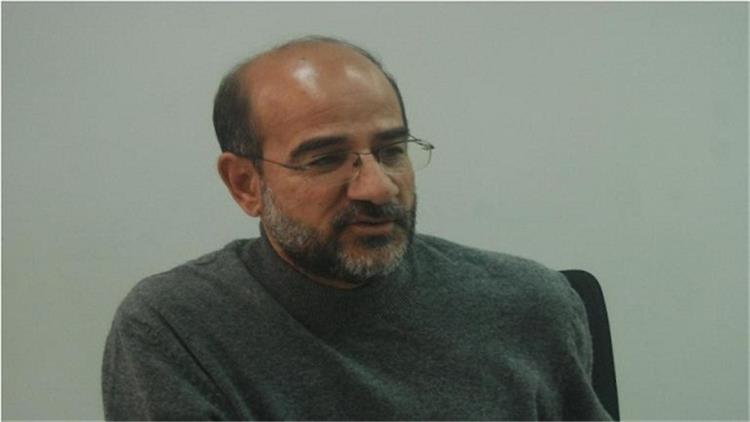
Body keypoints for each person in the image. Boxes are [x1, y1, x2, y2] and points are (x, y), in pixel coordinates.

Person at [102, 36, 611, 421]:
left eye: (391, 151)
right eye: (325, 159)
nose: (378, 188)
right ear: (245, 184)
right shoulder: (178, 329)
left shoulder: (531, 306)